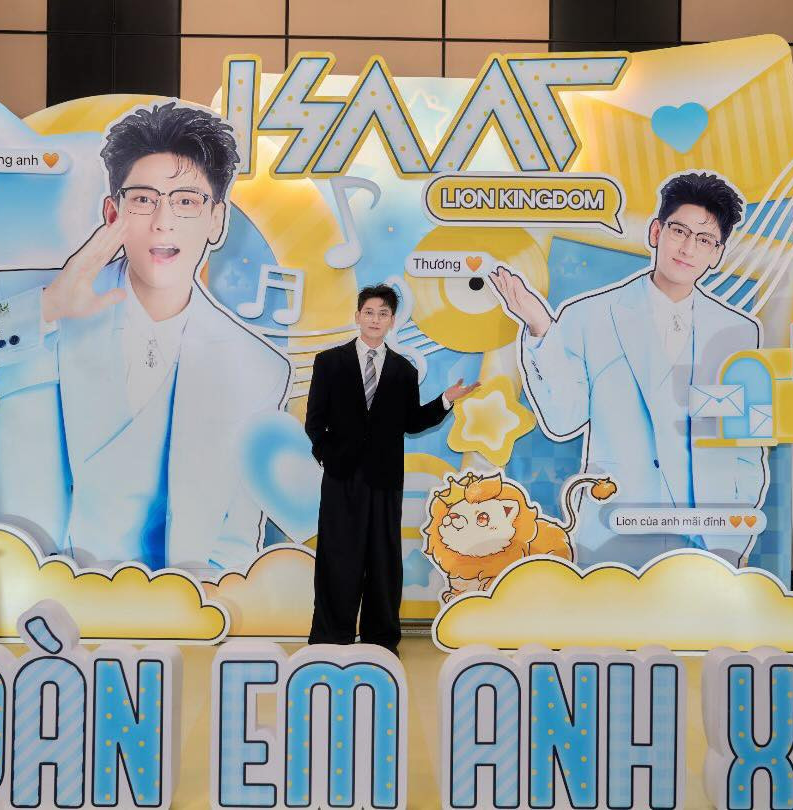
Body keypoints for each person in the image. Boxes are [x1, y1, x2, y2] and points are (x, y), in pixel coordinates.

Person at [0, 101, 291, 577]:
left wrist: (194, 604)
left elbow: (233, 544)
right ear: (112, 212)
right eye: (143, 199)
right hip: (12, 596)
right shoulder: (21, 297)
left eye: (187, 201)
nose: (163, 221)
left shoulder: (258, 368)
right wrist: (46, 307)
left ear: (217, 221)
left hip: (163, 606)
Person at [490, 171, 766, 568]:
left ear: (717, 253)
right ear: (656, 231)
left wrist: (733, 535)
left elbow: (747, 445)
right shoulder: (588, 316)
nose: (688, 247)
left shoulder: (738, 332)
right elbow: (563, 419)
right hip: (615, 526)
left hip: (708, 535)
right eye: (679, 231)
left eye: (704, 239)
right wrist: (541, 329)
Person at [305, 285, 478, 655]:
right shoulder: (329, 362)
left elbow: (412, 422)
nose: (375, 319)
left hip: (384, 479)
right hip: (341, 477)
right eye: (369, 312)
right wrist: (328, 456)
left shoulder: (403, 370)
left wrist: (445, 400)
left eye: (383, 314)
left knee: (382, 560)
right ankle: (330, 638)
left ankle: (380, 640)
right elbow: (315, 422)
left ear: (392, 321)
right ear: (357, 316)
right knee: (337, 557)